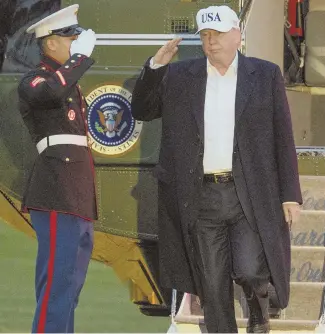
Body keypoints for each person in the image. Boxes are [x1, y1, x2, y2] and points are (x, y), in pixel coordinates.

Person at [131, 5, 302, 333]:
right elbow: (143, 109)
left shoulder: (265, 76)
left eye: (218, 35)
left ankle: (258, 313)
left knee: (251, 269)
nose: (211, 42)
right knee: (212, 284)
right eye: (206, 36)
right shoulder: (182, 77)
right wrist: (156, 67)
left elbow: (283, 138)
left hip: (247, 196)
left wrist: (289, 196)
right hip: (201, 197)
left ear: (237, 35)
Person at [17, 4, 97, 333]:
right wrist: (79, 60)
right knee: (56, 285)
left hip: (76, 192)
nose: (75, 45)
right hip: (55, 190)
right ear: (50, 43)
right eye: (69, 39)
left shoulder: (68, 83)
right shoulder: (35, 80)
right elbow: (50, 92)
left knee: (70, 289)